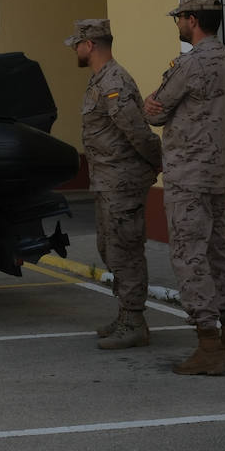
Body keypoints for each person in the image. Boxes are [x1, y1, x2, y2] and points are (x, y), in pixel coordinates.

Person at [143, 0, 225, 375]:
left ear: (192, 20)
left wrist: (151, 102)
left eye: (180, 18)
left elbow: (156, 110)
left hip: (188, 172)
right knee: (218, 250)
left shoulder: (191, 63)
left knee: (189, 254)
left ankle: (209, 345)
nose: (178, 24)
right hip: (217, 171)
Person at [66, 19, 162, 350]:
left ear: (90, 44)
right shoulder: (100, 79)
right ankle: (126, 315)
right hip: (107, 181)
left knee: (125, 249)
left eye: (77, 44)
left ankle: (134, 322)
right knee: (110, 248)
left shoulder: (114, 81)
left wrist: (156, 161)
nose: (75, 50)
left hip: (122, 182)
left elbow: (137, 131)